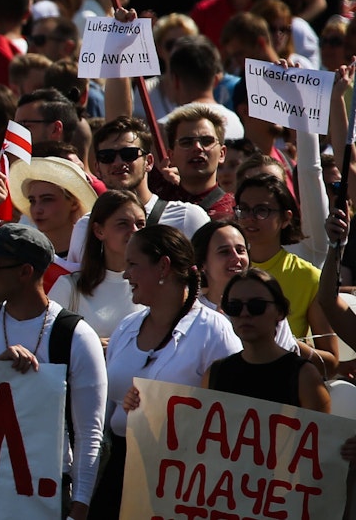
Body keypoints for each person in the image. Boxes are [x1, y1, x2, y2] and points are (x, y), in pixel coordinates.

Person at [0, 224, 105, 519]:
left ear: (25, 272)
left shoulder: (76, 336)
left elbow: (89, 434)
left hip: (45, 492)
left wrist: (79, 508)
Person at [92, 226, 242, 518]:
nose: (126, 275)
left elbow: (234, 411)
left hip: (181, 478)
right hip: (122, 469)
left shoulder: (214, 331)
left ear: (163, 266)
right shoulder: (126, 327)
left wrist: (159, 411)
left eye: (133, 264)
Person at [204, 269, 330, 411]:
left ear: (280, 311)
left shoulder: (304, 376)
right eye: (234, 306)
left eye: (256, 306)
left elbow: (320, 424)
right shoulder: (216, 374)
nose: (244, 313)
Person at [235, 174, 332, 352]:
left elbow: (330, 360)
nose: (250, 218)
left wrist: (285, 343)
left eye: (261, 210)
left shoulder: (309, 277)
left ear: (286, 218)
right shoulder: (226, 267)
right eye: (244, 209)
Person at [48, 192, 148, 339]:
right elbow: (44, 339)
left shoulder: (154, 284)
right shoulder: (69, 287)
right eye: (123, 224)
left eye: (140, 224)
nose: (134, 231)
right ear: (99, 231)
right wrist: (87, 345)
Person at [89, 117, 209, 237]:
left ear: (149, 162)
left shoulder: (187, 218)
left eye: (129, 154)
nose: (118, 162)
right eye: (107, 156)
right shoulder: (87, 225)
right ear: (97, 168)